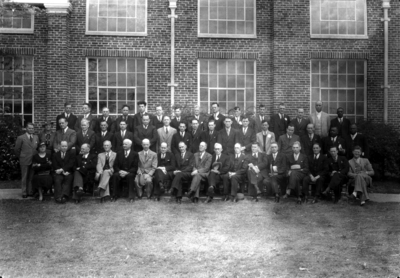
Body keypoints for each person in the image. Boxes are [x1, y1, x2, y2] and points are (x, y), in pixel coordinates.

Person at [14, 122, 39, 198]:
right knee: (24, 177)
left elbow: (36, 148)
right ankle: (24, 192)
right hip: (24, 159)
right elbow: (16, 149)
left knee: (31, 177)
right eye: (29, 128)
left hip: (33, 160)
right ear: (26, 128)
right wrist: (21, 156)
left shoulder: (36, 137)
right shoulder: (21, 137)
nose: (31, 130)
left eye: (32, 128)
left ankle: (30, 191)